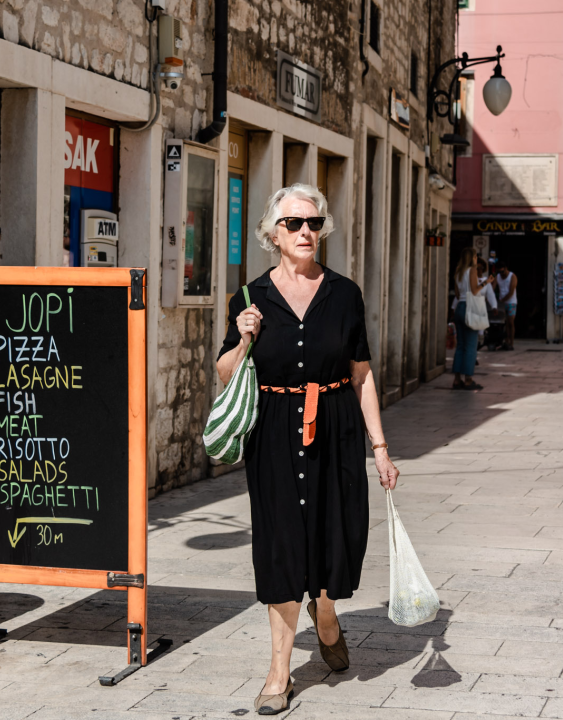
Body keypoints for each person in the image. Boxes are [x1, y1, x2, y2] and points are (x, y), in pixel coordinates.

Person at [216, 183, 400, 715]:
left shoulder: (345, 294)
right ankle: (279, 673)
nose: (306, 232)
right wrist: (244, 339)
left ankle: (325, 612)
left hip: (336, 428)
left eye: (314, 223)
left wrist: (380, 446)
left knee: (332, 534)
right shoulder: (249, 298)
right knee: (281, 544)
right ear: (272, 234)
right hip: (273, 432)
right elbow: (225, 374)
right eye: (294, 224)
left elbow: (361, 375)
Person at [451, 247, 487, 390]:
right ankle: (468, 380)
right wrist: (485, 282)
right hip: (469, 308)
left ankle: (456, 379)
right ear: (473, 257)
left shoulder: (458, 271)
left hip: (459, 307)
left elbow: (458, 294)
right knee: (471, 346)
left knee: (460, 345)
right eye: (476, 256)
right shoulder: (472, 270)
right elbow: (474, 290)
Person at [494, 262, 518, 350]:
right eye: (499, 272)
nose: (502, 274)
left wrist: (501, 300)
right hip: (502, 303)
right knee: (504, 323)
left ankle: (511, 342)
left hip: (511, 302)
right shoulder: (497, 277)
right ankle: (506, 341)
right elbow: (493, 287)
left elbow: (511, 292)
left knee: (510, 322)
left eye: (503, 272)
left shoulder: (512, 276)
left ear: (506, 268)